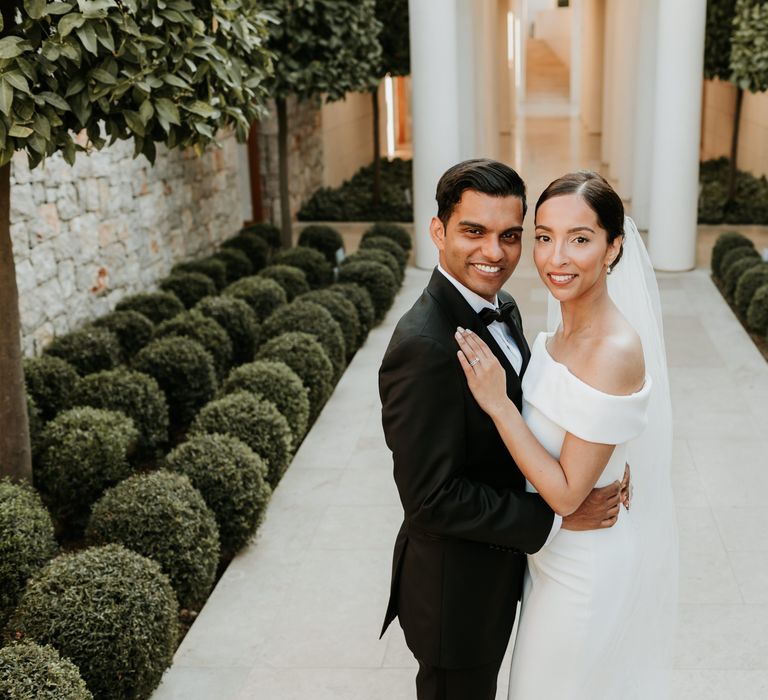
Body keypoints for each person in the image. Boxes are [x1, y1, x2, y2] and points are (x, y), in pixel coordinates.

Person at [378, 160, 629, 700]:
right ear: (438, 230)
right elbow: (431, 499)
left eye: (511, 235)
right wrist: (558, 515)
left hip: (512, 573)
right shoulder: (423, 346)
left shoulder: (504, 307)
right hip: (456, 594)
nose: (494, 253)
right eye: (474, 231)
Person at [454, 170, 677, 699]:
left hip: (585, 568)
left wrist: (497, 403)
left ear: (613, 247)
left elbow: (566, 493)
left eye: (580, 239)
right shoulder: (558, 330)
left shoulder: (614, 349)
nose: (557, 258)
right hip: (549, 553)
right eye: (545, 237)